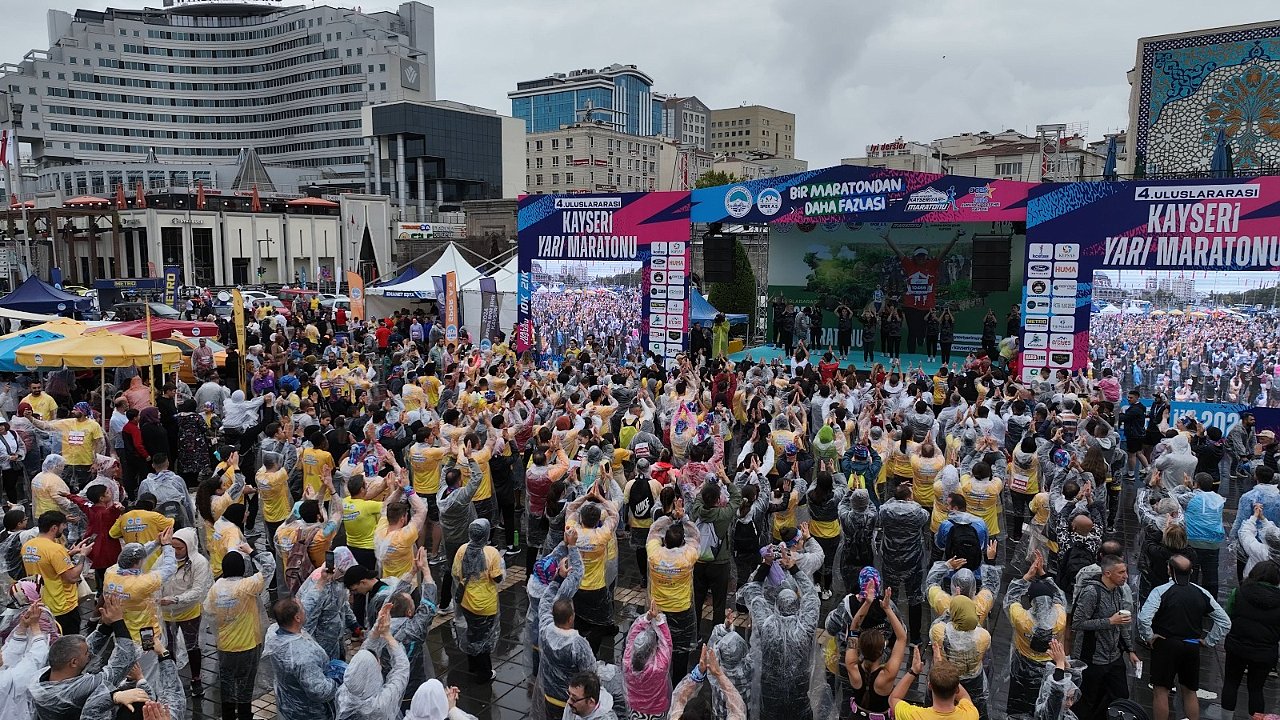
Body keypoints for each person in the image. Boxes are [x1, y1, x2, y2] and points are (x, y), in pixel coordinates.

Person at [1137, 554, 1232, 720]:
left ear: (1169, 570)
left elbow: (1144, 618)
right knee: (1189, 691)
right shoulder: (1201, 592)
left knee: (1161, 691)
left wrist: (1149, 636)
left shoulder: (1160, 591)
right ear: (1192, 571)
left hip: (1166, 644)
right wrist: (1209, 641)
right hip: (1191, 645)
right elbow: (1225, 622)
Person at [736, 546, 820, 720]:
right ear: (797, 605)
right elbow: (812, 595)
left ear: (776, 606)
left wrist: (766, 565)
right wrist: (794, 568)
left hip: (770, 698)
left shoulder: (767, 626)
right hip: (799, 696)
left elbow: (752, 592)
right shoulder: (806, 627)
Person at [28, 595, 140, 720]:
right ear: (73, 663)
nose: (90, 654)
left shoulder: (45, 674)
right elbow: (123, 663)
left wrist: (106, 626)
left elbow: (84, 648)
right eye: (87, 653)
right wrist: (118, 621)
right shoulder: (77, 690)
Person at [205, 543, 276, 720]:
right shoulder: (247, 586)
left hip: (225, 646)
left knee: (227, 684)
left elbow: (209, 613)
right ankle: (244, 715)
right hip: (248, 645)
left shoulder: (215, 589)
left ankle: (228, 716)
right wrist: (252, 551)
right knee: (245, 685)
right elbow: (269, 566)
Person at [1070, 554, 1138, 720]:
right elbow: (1077, 623)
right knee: (1086, 701)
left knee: (1120, 695)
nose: (1126, 576)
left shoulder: (1117, 590)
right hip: (1091, 658)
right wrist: (1110, 621)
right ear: (1107, 573)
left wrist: (1130, 650)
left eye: (1126, 572)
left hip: (1114, 656)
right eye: (1121, 572)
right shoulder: (1091, 592)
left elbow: (1120, 623)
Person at [1220, 559, 1280, 716]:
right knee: (1256, 689)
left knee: (1231, 683)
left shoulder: (1238, 593)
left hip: (1237, 646)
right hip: (1265, 652)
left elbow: (1228, 616)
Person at [159, 526, 212, 696]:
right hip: (166, 612)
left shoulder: (199, 562)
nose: (175, 552)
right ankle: (171, 679)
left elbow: (198, 590)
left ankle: (196, 679)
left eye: (179, 548)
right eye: (172, 547)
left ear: (189, 546)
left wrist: (176, 599)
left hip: (189, 611)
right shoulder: (165, 558)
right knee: (168, 646)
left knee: (192, 646)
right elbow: (155, 577)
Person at [268, 596, 341, 720]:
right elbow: (319, 692)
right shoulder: (304, 655)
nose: (305, 610)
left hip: (286, 704)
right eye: (302, 608)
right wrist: (338, 680)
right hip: (308, 713)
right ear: (297, 618)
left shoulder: (273, 633)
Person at [22, 510, 93, 635]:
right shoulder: (55, 549)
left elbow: (46, 564)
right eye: (63, 525)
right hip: (61, 606)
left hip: (40, 603)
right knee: (68, 642)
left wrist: (70, 553)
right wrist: (83, 555)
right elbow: (72, 577)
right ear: (54, 528)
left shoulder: (27, 546)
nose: (64, 528)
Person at [335, 603, 411, 720]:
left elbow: (364, 654)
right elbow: (402, 669)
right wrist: (387, 635)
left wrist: (377, 628)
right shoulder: (380, 704)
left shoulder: (344, 692)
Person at [451, 518, 505, 682]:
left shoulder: (462, 549)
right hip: (486, 604)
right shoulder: (491, 553)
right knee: (484, 638)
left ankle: (472, 664)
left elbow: (456, 573)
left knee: (473, 633)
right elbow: (497, 578)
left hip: (467, 602)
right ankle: (484, 673)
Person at [844, 589, 908, 720]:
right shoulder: (887, 675)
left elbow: (854, 628)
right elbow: (901, 638)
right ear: (882, 650)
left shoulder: (852, 666)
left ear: (860, 648)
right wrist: (887, 609)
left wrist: (867, 603)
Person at [888, 647, 978, 720]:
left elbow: (893, 699)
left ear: (930, 686)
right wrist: (943, 669)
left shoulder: (914, 716)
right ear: (957, 690)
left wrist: (913, 671)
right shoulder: (970, 715)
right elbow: (964, 696)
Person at [622, 599, 673, 720]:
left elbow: (631, 636)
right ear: (653, 649)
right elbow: (667, 643)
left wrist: (646, 618)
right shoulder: (659, 667)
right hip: (657, 711)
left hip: (634, 710)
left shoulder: (627, 662)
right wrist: (658, 620)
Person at [0, 602, 49, 720]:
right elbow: (36, 659)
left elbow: (9, 657)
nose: (1, 652)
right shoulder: (6, 682)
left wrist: (22, 628)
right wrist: (35, 626)